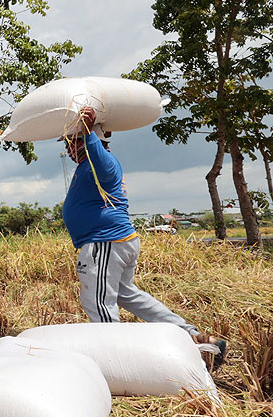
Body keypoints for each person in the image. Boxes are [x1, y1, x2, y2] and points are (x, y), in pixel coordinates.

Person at [61, 106, 226, 368]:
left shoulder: (103, 161)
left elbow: (101, 162)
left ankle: (115, 362)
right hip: (114, 242)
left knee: (98, 303)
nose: (69, 148)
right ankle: (192, 337)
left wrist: (90, 132)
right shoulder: (87, 166)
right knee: (127, 295)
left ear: (91, 140)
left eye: (73, 141)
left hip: (105, 242)